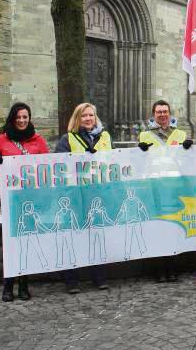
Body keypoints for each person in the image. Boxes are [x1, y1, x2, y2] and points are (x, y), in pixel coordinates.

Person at [0, 102, 49, 302]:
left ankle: (23, 285)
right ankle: (8, 285)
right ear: (13, 118)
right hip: (11, 200)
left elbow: (47, 168)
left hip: (32, 200)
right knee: (11, 242)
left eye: (25, 117)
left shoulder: (38, 141)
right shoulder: (1, 141)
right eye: (18, 117)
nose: (22, 121)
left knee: (26, 242)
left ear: (29, 119)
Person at [55, 103, 112, 293]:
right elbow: (59, 166)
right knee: (73, 236)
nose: (88, 119)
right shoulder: (67, 139)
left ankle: (99, 276)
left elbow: (114, 162)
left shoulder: (105, 137)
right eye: (84, 116)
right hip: (75, 195)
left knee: (97, 235)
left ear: (96, 117)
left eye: (91, 115)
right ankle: (71, 280)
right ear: (77, 118)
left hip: (97, 195)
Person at [137, 100, 193, 282]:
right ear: (153, 114)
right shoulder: (144, 135)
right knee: (156, 227)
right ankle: (158, 269)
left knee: (172, 227)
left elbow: (187, 161)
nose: (162, 115)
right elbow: (139, 162)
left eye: (165, 111)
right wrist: (139, 152)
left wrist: (189, 149)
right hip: (153, 187)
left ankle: (172, 267)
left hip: (173, 187)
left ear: (170, 114)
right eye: (159, 112)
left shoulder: (180, 134)